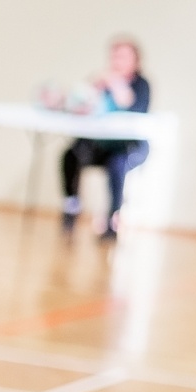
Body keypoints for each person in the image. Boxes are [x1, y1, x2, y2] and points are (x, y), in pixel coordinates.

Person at [58, 35, 152, 242]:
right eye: (114, 56)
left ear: (135, 60)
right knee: (71, 154)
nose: (117, 61)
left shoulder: (141, 85)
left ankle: (112, 220)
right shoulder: (101, 81)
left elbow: (133, 109)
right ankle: (71, 206)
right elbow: (81, 104)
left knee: (117, 164)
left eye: (123, 56)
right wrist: (91, 91)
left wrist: (116, 84)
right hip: (101, 144)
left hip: (128, 147)